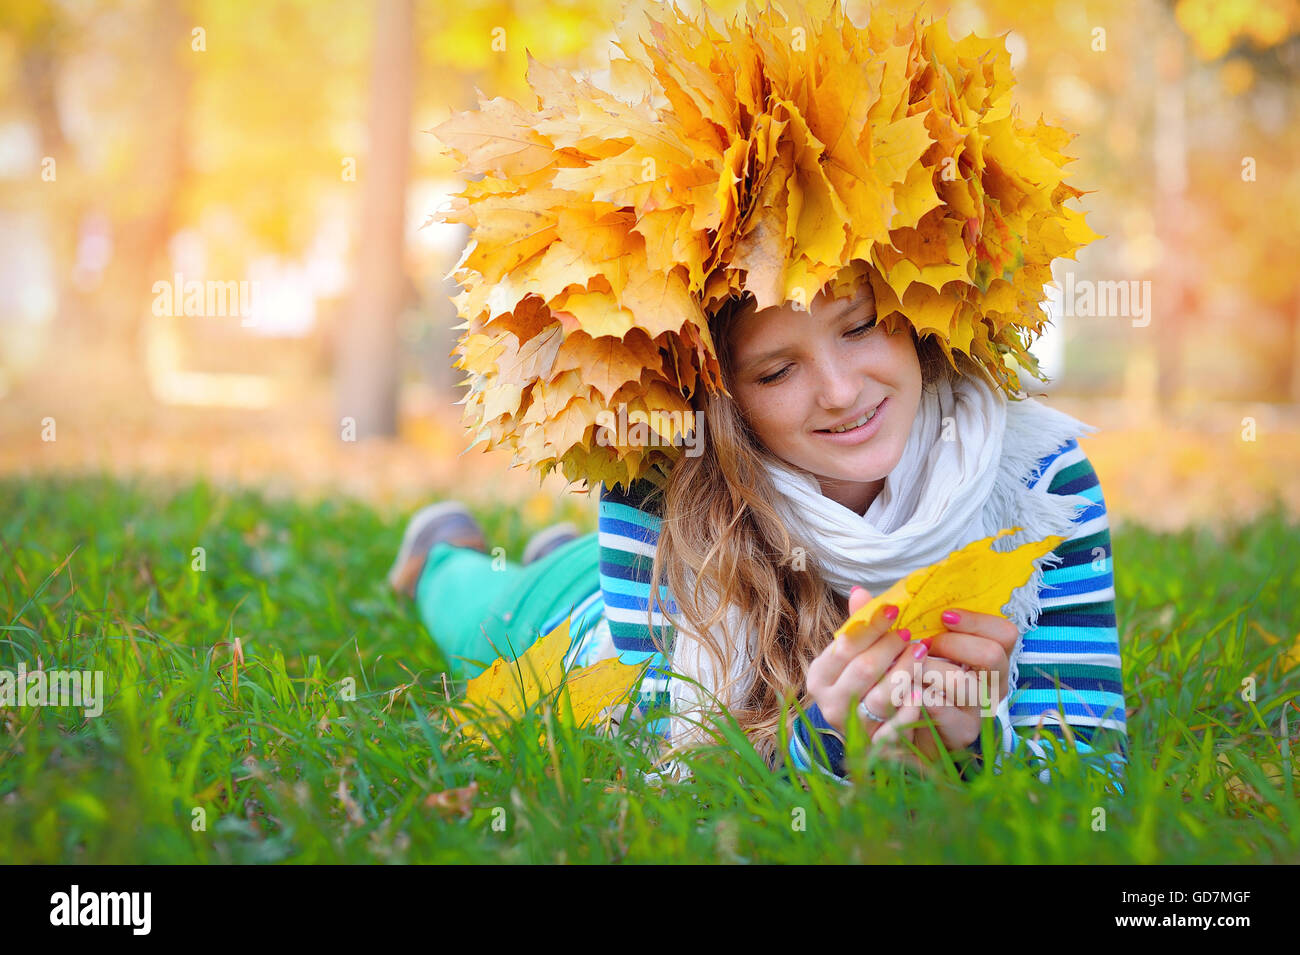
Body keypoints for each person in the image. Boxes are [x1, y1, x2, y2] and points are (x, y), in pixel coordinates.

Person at [404, 0, 1130, 786]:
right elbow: (667, 763)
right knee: (477, 612)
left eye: (862, 327)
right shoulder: (658, 488)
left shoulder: (1040, 484)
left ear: (918, 317)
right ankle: (441, 552)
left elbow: (1093, 765)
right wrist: (826, 737)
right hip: (582, 624)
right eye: (777, 372)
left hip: (624, 589)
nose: (842, 390)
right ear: (722, 397)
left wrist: (973, 743)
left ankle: (553, 557)